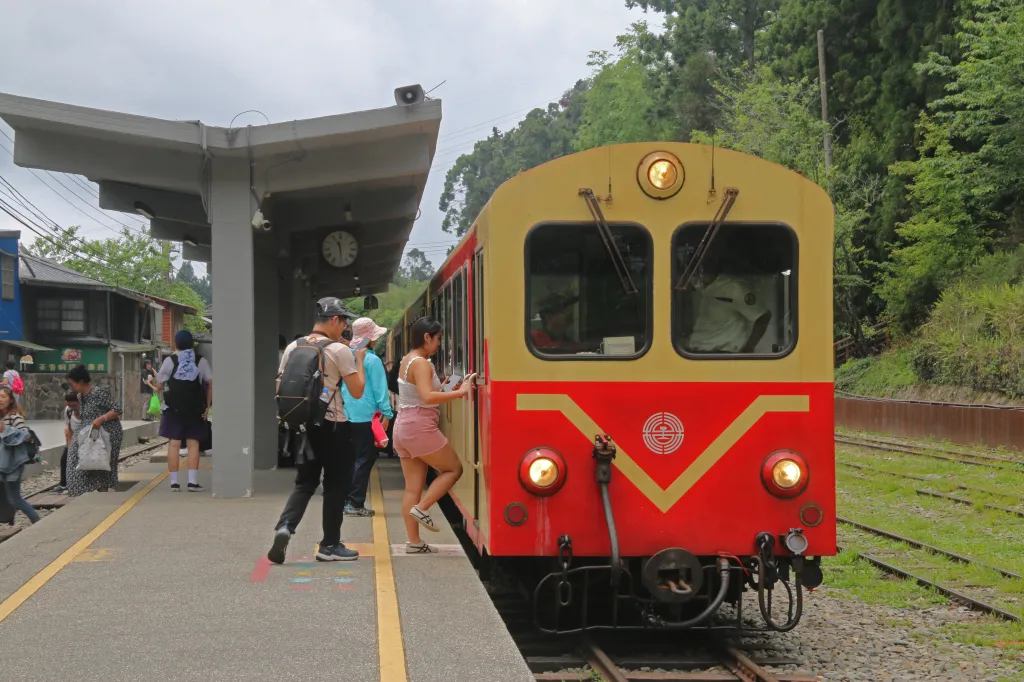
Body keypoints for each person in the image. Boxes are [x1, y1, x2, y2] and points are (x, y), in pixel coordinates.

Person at [267, 297, 367, 564]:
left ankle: (285, 526)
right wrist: (358, 358)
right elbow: (357, 392)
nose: (345, 326)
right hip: (334, 426)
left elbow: (279, 386)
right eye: (344, 320)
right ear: (334, 320)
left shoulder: (293, 347)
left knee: (305, 481)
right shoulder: (339, 350)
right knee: (336, 485)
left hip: (303, 425)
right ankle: (330, 545)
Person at [394, 316, 474, 553]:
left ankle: (414, 543)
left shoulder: (407, 360)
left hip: (404, 427)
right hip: (420, 427)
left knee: (412, 488)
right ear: (427, 337)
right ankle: (424, 508)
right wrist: (461, 394)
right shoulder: (421, 363)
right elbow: (428, 397)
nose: (440, 343)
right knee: (453, 469)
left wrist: (454, 385)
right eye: (438, 338)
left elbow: (425, 393)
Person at [343, 317, 394, 517]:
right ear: (370, 338)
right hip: (367, 416)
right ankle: (355, 502)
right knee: (365, 459)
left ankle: (346, 499)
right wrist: (387, 414)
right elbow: (380, 391)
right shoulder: (372, 360)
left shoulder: (345, 356)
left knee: (350, 459)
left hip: (345, 415)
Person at [152, 330, 212, 492]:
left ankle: (174, 483)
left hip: (173, 409)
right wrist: (206, 406)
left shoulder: (170, 361)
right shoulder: (201, 361)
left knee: (174, 444)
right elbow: (210, 382)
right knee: (193, 444)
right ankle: (192, 483)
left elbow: (160, 384)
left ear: (176, 344)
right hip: (195, 409)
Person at [687, 259, 772, 353]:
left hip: (722, 353)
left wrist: (748, 349)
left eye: (695, 274)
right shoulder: (702, 288)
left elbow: (764, 316)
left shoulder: (734, 288)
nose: (693, 279)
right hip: (697, 352)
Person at [65, 364, 123, 497]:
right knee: (76, 463)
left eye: (71, 383)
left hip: (106, 434)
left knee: (101, 466)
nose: (71, 387)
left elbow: (117, 409)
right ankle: (81, 495)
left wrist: (101, 419)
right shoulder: (81, 396)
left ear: (80, 382)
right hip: (89, 435)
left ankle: (101, 497)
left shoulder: (97, 393)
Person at [0, 386, 39, 524]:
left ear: (10, 400)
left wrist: (6, 430)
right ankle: (9, 519)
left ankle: (37, 521)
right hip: (1, 462)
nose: (0, 400)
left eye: (3, 397)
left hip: (13, 464)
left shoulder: (15, 417)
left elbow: (26, 435)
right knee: (4, 496)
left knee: (15, 498)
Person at [55, 392, 80, 494]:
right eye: (69, 405)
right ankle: (64, 484)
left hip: (88, 440)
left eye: (74, 405)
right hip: (74, 438)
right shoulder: (68, 411)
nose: (72, 407)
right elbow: (69, 429)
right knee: (65, 459)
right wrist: (70, 448)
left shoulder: (87, 411)